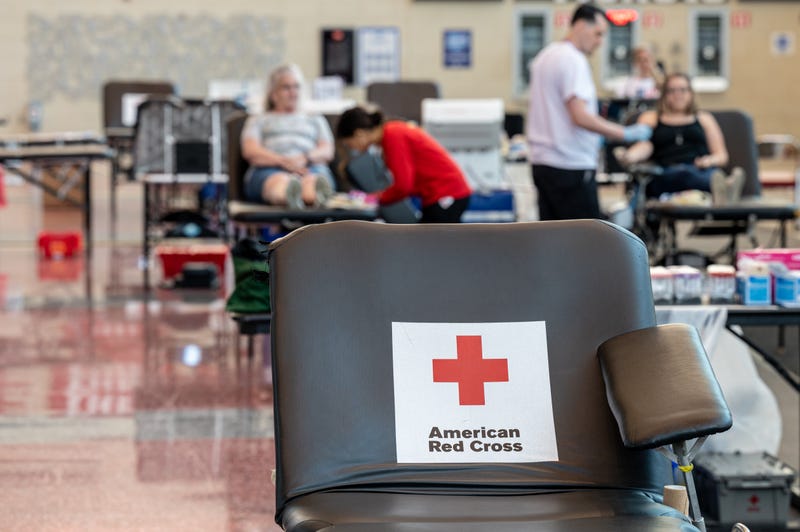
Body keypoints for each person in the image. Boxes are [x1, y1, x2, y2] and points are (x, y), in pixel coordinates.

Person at [526, 3, 652, 221]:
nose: (600, 42)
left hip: (543, 163)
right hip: (570, 165)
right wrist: (624, 133)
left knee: (552, 238)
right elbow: (580, 116)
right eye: (598, 34)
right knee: (585, 242)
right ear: (582, 25)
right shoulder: (573, 60)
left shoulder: (545, 56)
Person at [335, 106, 472, 223]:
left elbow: (403, 186)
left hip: (447, 193)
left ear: (359, 134)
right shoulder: (391, 133)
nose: (352, 148)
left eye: (349, 143)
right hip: (440, 194)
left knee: (432, 247)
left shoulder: (393, 135)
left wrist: (377, 199)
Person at [613, 72, 735, 200]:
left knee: (706, 174)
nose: (678, 95)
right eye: (672, 91)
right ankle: (725, 188)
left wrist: (708, 161)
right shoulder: (651, 118)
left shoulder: (704, 119)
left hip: (700, 169)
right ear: (664, 94)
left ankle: (724, 187)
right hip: (666, 172)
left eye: (683, 90)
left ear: (691, 93)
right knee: (682, 173)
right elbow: (645, 145)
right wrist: (629, 156)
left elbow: (721, 156)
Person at [240, 63, 335, 209]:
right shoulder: (258, 119)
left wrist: (304, 158)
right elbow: (251, 151)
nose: (293, 92)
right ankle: (291, 195)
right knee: (280, 182)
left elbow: (327, 151)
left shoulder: (315, 119)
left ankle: (309, 196)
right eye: (286, 87)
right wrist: (283, 162)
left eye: (296, 87)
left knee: (312, 181)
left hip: (309, 167)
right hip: (269, 169)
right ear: (273, 93)